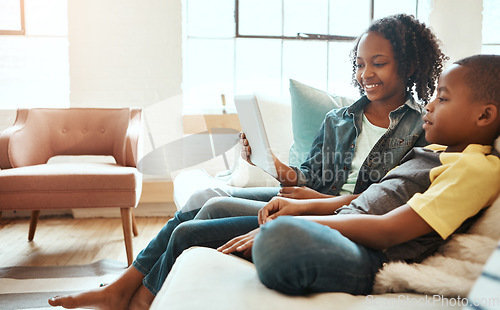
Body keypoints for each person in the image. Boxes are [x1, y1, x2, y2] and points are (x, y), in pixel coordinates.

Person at [48, 14, 448, 310]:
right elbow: (313, 177)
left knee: (203, 217)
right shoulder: (341, 118)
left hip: (338, 214)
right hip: (312, 198)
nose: (365, 74)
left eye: (378, 63)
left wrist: (306, 196)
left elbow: (378, 200)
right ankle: (123, 288)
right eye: (360, 64)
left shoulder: (423, 130)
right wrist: (274, 165)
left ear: (409, 65)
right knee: (205, 204)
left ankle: (128, 297)